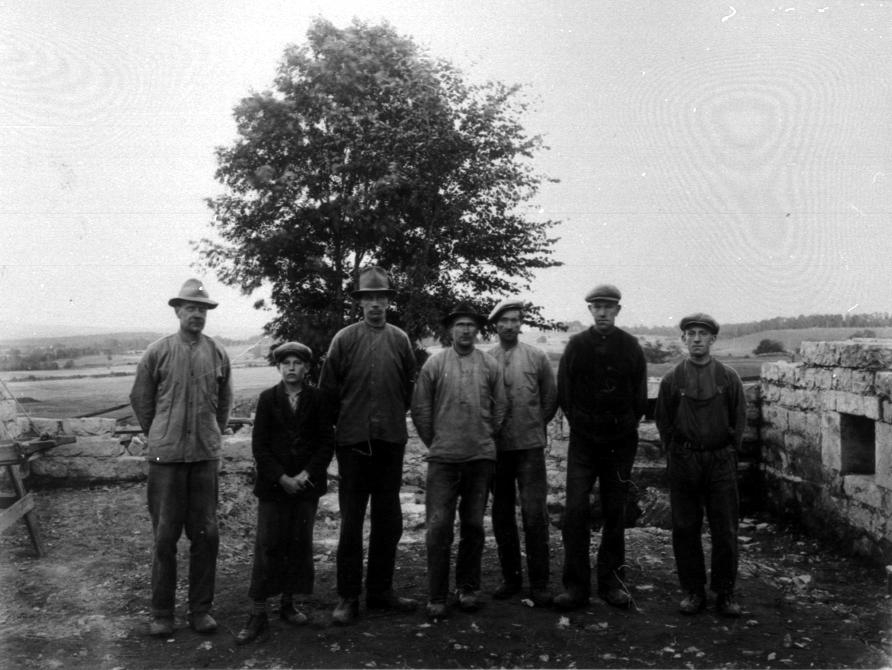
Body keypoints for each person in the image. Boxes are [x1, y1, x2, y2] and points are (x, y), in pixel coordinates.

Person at [129, 278, 233, 637]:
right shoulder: (157, 352)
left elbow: (224, 403)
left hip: (204, 459)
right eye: (190, 308)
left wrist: (210, 433)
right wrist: (161, 433)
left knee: (206, 535)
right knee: (165, 537)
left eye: (202, 309)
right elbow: (141, 399)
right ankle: (162, 613)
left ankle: (201, 610)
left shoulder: (218, 353)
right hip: (167, 461)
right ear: (177, 311)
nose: (197, 315)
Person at [318, 266, 418, 624]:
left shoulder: (400, 340)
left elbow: (409, 388)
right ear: (359, 302)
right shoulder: (344, 339)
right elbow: (328, 393)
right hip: (353, 444)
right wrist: (344, 427)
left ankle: (380, 591)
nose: (375, 304)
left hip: (390, 441)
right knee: (352, 522)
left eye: (381, 297)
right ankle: (348, 596)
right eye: (368, 298)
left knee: (388, 520)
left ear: (388, 301)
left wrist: (389, 416)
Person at [411, 304, 507, 620]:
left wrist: (486, 436)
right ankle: (437, 595)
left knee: (474, 526)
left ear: (477, 330)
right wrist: (437, 442)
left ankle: (467, 589)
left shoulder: (490, 364)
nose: (465, 330)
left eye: (470, 325)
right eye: (460, 325)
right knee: (438, 527)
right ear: (450, 330)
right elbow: (421, 409)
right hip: (443, 460)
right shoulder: (435, 364)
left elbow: (501, 407)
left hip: (480, 459)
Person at [554, 284, 647, 610]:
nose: (603, 312)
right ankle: (576, 587)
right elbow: (564, 391)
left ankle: (612, 584)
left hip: (619, 444)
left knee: (615, 512)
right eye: (597, 307)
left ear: (617, 310)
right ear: (590, 311)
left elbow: (639, 397)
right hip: (584, 442)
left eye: (608, 307)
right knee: (575, 510)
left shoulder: (630, 346)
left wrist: (621, 426)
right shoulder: (577, 345)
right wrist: (584, 423)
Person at [235, 341, 335, 645]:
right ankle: (258, 612)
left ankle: (288, 604)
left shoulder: (318, 399)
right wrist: (281, 477)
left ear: (307, 368)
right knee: (268, 545)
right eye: (286, 363)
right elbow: (260, 446)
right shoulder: (268, 399)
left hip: (305, 487)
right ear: (279, 367)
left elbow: (325, 444)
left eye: (297, 363)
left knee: (297, 543)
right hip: (274, 488)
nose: (291, 368)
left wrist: (305, 475)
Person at [654, 313, 746, 618]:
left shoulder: (728, 377)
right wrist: (676, 453)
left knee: (725, 529)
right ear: (683, 339)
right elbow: (663, 420)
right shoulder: (672, 379)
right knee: (685, 528)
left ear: (713, 339)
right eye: (691, 333)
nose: (696, 339)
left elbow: (739, 419)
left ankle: (725, 592)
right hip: (685, 461)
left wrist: (729, 452)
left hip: (720, 461)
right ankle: (693, 591)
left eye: (702, 334)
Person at [487, 299, 558, 607]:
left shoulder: (536, 356)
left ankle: (539, 582)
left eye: (515, 320)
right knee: (502, 514)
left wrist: (533, 426)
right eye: (504, 321)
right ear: (495, 325)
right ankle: (511, 578)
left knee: (534, 514)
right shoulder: (486, 359)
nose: (509, 326)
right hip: (497, 450)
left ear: (521, 324)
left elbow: (550, 399)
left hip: (530, 448)